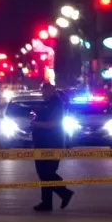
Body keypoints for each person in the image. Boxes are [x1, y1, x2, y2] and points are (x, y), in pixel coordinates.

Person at [30, 81, 74, 211]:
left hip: (52, 144)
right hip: (42, 144)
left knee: (47, 172)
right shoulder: (47, 104)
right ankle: (46, 202)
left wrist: (37, 124)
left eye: (45, 91)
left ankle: (65, 193)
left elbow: (53, 124)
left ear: (51, 90)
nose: (42, 94)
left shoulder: (57, 104)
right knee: (43, 174)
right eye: (42, 91)